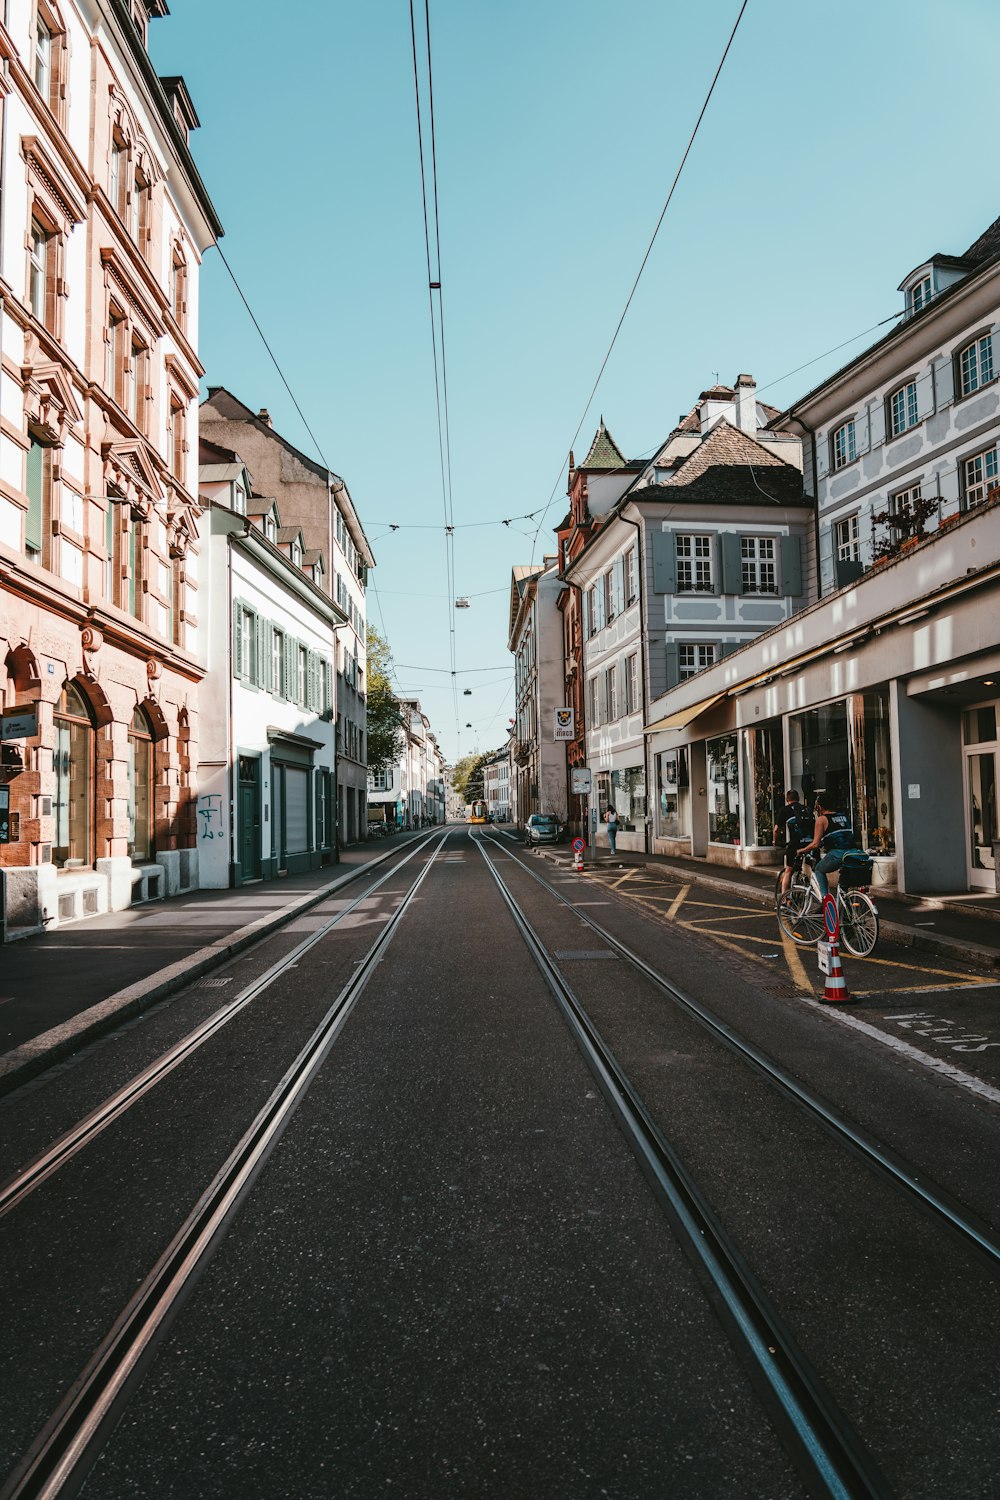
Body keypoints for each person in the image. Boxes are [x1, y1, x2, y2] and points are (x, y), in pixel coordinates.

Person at [800, 794, 857, 899]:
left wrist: (802, 850)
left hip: (837, 854)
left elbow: (815, 844)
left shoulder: (821, 820)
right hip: (852, 852)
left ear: (820, 807)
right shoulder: (843, 816)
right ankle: (844, 905)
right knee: (843, 886)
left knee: (819, 869)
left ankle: (825, 899)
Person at [774, 789, 812, 898]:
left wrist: (775, 841)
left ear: (787, 799)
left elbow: (776, 829)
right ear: (798, 799)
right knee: (815, 870)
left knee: (788, 870)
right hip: (810, 842)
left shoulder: (785, 810)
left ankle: (784, 900)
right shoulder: (806, 809)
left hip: (795, 844)